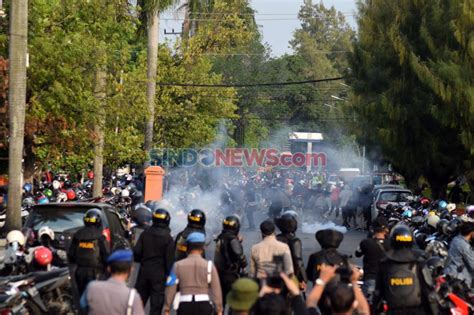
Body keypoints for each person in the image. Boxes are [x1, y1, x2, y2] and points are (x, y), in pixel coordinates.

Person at [373, 225, 431, 315]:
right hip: (417, 311)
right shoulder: (419, 262)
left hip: (393, 311)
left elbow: (378, 293)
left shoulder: (385, 263)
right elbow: (428, 290)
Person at [164, 232, 223, 315]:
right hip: (204, 305)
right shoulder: (209, 266)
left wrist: (167, 308)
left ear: (187, 247)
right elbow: (216, 289)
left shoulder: (177, 266)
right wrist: (219, 309)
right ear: (203, 248)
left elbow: (171, 287)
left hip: (184, 305)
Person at [134, 208, 175, 314]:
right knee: (156, 306)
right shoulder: (168, 238)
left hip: (144, 272)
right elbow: (169, 261)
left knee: (138, 303)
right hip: (159, 276)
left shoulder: (145, 233)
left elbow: (137, 253)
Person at [80, 249, 145, 315]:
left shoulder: (91, 287)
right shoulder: (132, 296)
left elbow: (82, 306)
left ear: (109, 269)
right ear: (130, 270)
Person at [68, 208, 110, 296]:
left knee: (81, 296)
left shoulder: (78, 235)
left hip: (79, 272)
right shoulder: (100, 237)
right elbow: (106, 255)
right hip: (96, 272)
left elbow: (71, 254)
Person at [214, 215, 247, 309]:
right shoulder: (232, 239)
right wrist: (244, 264)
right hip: (230, 273)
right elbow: (239, 255)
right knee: (235, 301)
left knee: (221, 300)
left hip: (219, 272)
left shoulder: (221, 236)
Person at [355, 217, 389, 306]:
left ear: (372, 229)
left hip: (371, 279)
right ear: (386, 229)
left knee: (365, 306)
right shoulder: (390, 244)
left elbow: (357, 253)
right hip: (388, 281)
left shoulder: (366, 243)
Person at [275, 212, 308, 290]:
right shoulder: (295, 241)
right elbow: (298, 261)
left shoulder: (275, 238)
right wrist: (303, 279)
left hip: (275, 273)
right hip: (290, 274)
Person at [444, 221, 474, 286]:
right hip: (459, 278)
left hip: (450, 272)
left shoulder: (456, 239)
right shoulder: (464, 245)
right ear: (471, 233)